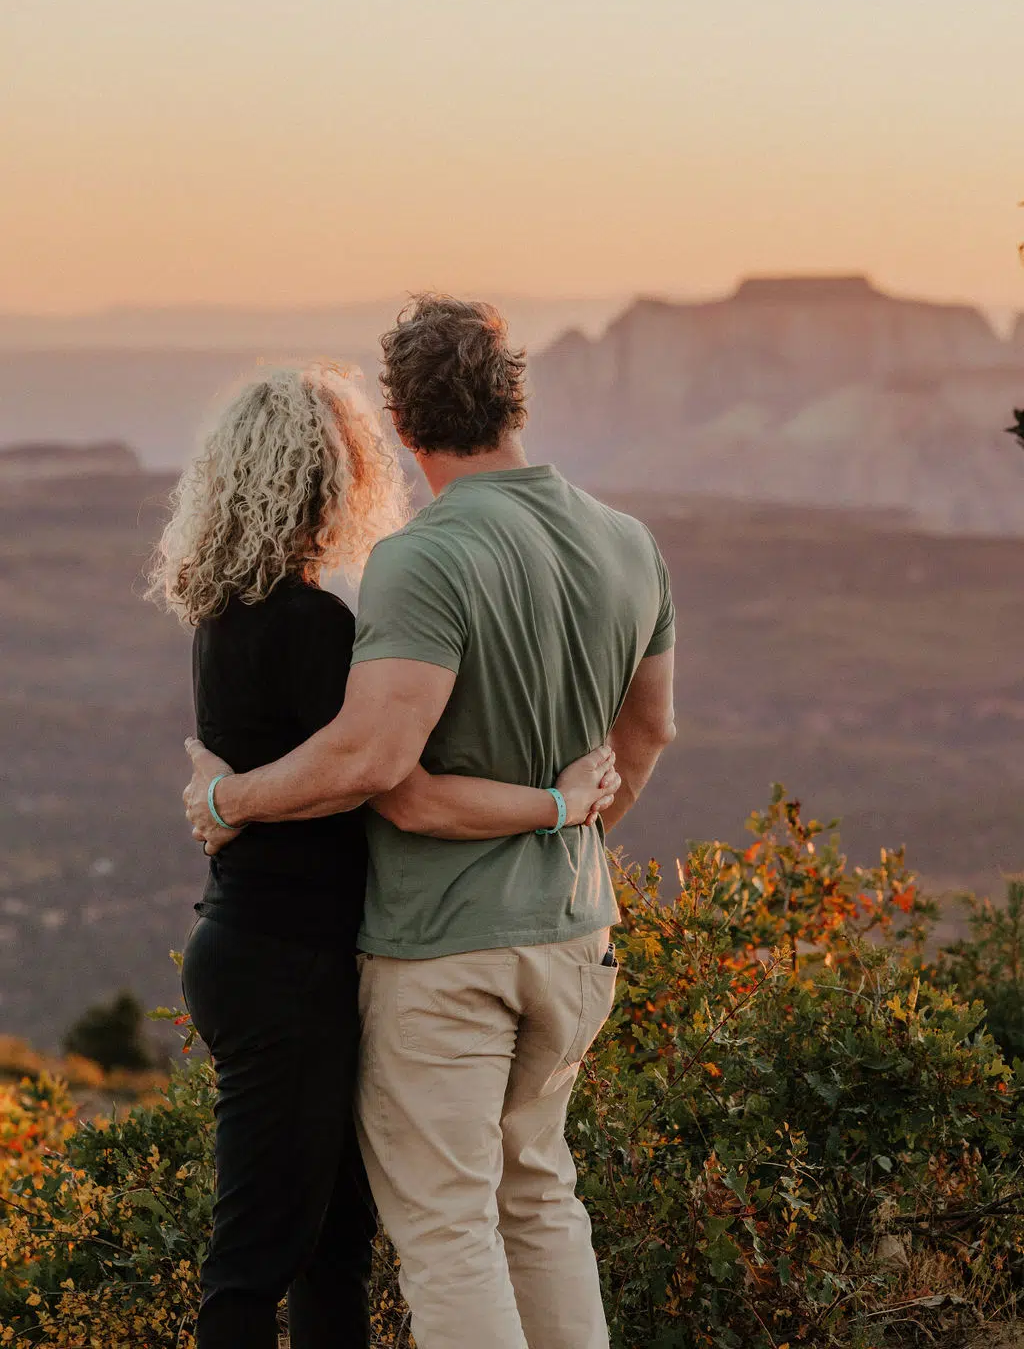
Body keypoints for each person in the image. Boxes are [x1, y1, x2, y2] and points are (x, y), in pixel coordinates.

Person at [184, 298, 676, 1349]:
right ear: (515, 400)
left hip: (445, 950)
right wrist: (567, 834)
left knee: (448, 1227)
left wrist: (226, 798)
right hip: (575, 933)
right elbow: (648, 733)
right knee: (538, 1197)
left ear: (402, 425)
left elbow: (380, 771)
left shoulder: (422, 559)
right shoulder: (629, 543)